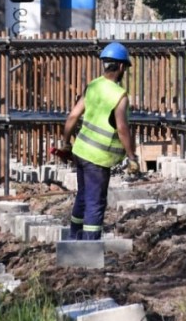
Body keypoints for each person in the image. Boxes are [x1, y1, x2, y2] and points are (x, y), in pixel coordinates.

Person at [62, 42, 137, 240]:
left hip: (81, 151)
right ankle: (90, 247)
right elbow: (122, 129)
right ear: (121, 66)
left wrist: (66, 143)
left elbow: (72, 116)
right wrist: (132, 157)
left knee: (83, 196)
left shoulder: (93, 86)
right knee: (95, 201)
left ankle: (74, 238)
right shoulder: (119, 95)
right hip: (98, 158)